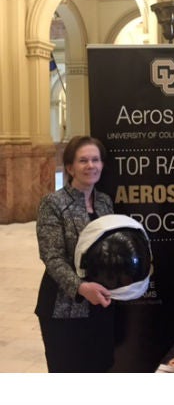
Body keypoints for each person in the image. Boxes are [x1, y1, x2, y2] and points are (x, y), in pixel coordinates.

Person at [35, 135, 115, 372]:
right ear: (70, 168)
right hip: (63, 308)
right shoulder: (53, 203)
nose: (91, 166)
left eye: (95, 160)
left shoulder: (105, 202)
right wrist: (81, 288)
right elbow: (52, 256)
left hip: (100, 305)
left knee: (99, 369)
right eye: (83, 161)